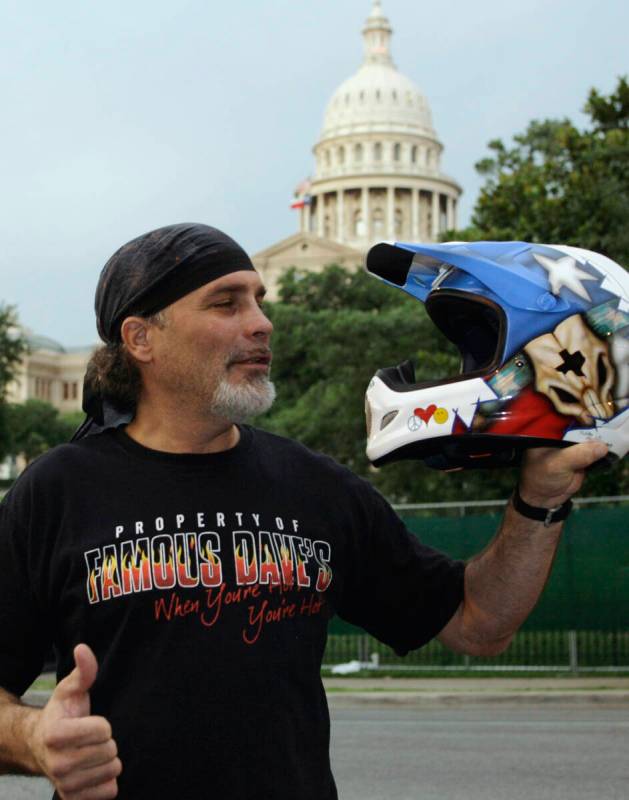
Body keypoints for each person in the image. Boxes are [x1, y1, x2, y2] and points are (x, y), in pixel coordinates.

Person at [0, 223, 607, 800]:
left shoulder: (315, 488)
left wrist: (541, 499)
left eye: (260, 301)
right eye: (226, 303)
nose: (262, 323)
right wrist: (35, 739)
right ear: (141, 339)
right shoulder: (57, 491)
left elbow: (479, 623)